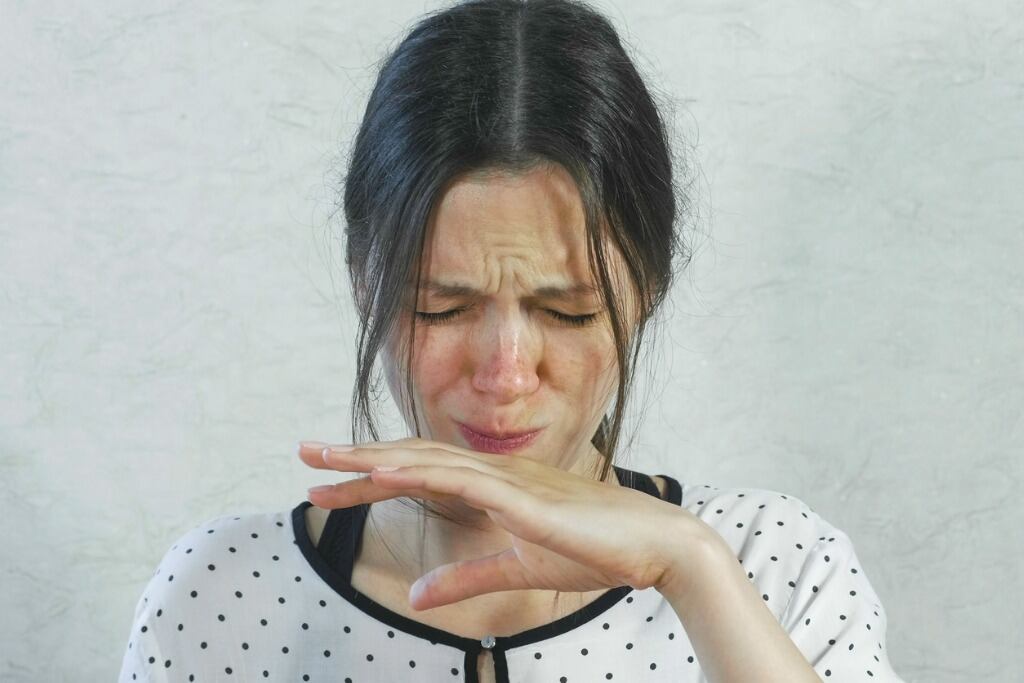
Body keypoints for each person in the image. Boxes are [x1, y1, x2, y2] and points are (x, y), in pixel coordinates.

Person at [118, 1, 905, 681]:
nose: (505, 374)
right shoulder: (222, 591)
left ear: (649, 291)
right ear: (367, 282)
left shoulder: (776, 563)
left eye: (567, 312)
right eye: (441, 307)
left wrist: (693, 572)